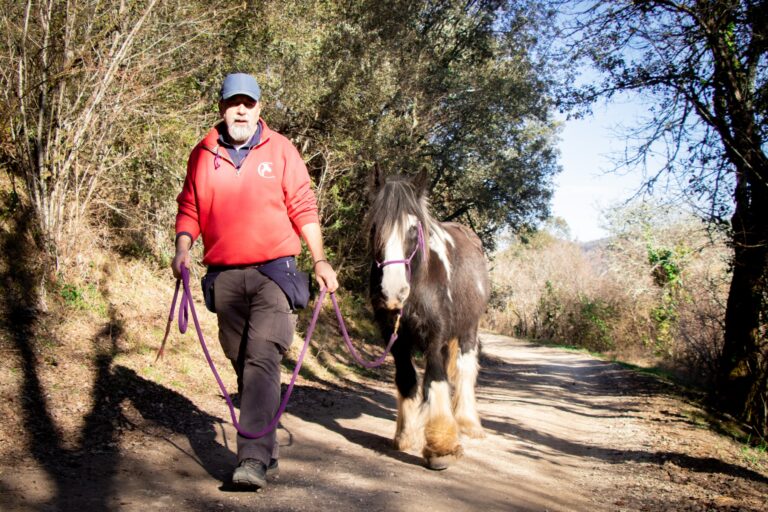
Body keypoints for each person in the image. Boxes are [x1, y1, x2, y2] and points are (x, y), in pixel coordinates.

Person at [171, 72, 338, 490]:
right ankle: (267, 447)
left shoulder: (280, 150)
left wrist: (319, 259)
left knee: (263, 356)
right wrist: (182, 248)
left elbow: (303, 205)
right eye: (233, 103)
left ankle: (251, 459)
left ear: (259, 108)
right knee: (240, 359)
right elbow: (189, 206)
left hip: (274, 273)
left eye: (248, 103)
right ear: (222, 108)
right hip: (224, 275)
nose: (240, 110)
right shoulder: (203, 153)